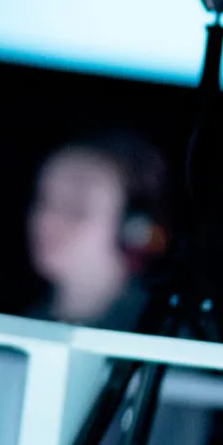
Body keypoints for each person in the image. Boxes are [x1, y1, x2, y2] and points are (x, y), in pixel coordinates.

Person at [26, 130, 172, 330]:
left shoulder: (166, 340)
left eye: (75, 208)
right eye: (45, 199)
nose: (47, 219)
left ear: (134, 229)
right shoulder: (26, 325)